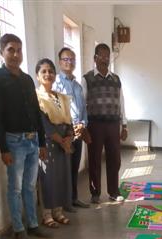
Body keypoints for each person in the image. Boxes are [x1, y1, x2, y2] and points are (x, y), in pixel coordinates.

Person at [0, 34, 50, 239]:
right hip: (13, 142)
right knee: (15, 187)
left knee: (30, 187)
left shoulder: (27, 79)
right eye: (10, 50)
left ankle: (33, 224)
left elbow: (35, 112)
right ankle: (18, 228)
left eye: (18, 50)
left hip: (32, 141)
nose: (15, 54)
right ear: (1, 52)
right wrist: (3, 148)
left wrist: (41, 142)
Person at [81, 43, 128, 204]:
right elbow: (82, 104)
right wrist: (83, 127)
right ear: (95, 58)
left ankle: (114, 191)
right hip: (95, 125)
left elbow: (121, 102)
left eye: (107, 56)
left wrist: (125, 125)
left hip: (113, 125)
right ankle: (95, 193)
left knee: (115, 158)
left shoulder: (116, 79)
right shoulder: (87, 78)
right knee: (94, 159)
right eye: (101, 56)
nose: (105, 59)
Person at [36, 58, 74, 227]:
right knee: (47, 178)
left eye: (50, 71)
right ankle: (47, 215)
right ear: (38, 76)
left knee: (61, 177)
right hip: (48, 143)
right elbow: (44, 124)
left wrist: (69, 137)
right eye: (43, 71)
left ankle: (58, 212)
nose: (47, 74)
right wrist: (61, 141)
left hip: (63, 142)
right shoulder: (37, 97)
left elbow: (68, 120)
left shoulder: (61, 97)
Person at [54, 47, 90, 209]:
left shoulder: (78, 86)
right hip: (64, 132)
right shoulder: (55, 84)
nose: (69, 62)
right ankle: (64, 202)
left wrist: (83, 124)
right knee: (64, 168)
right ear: (60, 62)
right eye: (66, 59)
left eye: (72, 59)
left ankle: (74, 198)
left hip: (78, 132)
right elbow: (55, 110)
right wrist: (68, 128)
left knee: (74, 166)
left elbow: (83, 109)